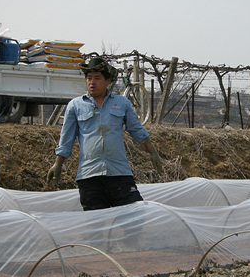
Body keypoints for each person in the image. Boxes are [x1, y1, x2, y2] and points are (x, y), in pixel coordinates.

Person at [47, 55, 163, 210]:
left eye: (97, 78)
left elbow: (136, 130)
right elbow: (66, 139)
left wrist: (152, 152)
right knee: (97, 226)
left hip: (119, 174)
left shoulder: (121, 103)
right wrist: (58, 164)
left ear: (108, 81)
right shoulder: (75, 106)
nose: (92, 82)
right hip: (89, 176)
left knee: (135, 218)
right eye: (89, 78)